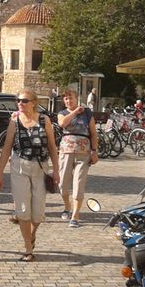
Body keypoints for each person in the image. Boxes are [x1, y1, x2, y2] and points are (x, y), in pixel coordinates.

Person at [0, 88, 60, 262]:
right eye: (18, 100)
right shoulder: (14, 121)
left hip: (41, 167)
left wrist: (57, 171)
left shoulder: (44, 120)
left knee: (38, 213)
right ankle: (28, 248)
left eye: (24, 101)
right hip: (19, 166)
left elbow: (53, 147)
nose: (20, 104)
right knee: (23, 210)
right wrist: (0, 173)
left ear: (34, 103)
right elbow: (7, 147)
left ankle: (31, 234)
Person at [56, 90, 98, 227]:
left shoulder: (87, 113)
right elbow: (62, 124)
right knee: (63, 183)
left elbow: (93, 133)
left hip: (83, 151)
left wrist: (94, 151)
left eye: (71, 98)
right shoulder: (62, 113)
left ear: (77, 98)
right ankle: (67, 206)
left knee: (79, 183)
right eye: (66, 99)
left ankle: (75, 215)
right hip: (66, 150)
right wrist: (74, 112)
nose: (69, 101)